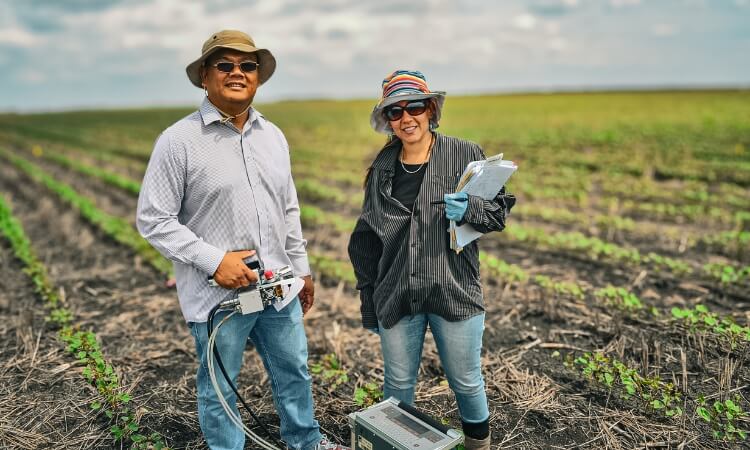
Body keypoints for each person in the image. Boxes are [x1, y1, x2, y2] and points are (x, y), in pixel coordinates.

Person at [136, 30, 347, 450]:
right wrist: (216, 261)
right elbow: (153, 219)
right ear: (203, 76)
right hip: (218, 299)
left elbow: (288, 209)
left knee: (295, 372)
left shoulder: (273, 136)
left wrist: (301, 270)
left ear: (258, 77)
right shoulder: (178, 141)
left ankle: (306, 443)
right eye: (225, 65)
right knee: (220, 389)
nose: (237, 72)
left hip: (277, 287)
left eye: (247, 65)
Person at [347, 70, 514, 450]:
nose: (407, 118)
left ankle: (478, 446)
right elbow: (365, 239)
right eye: (395, 112)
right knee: (398, 385)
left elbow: (497, 212)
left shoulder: (465, 153)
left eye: (415, 107)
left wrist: (470, 208)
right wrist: (369, 299)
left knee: (466, 380)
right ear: (387, 121)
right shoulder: (382, 168)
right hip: (396, 290)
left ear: (431, 109)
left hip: (453, 288)